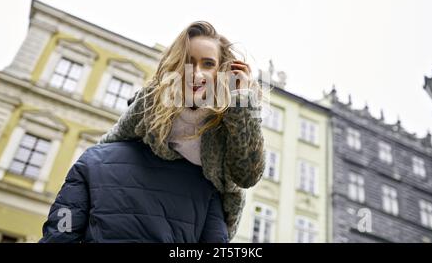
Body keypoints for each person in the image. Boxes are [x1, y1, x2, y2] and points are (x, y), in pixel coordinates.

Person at [39, 21, 265, 242]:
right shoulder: (208, 187)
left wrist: (243, 100)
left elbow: (61, 229)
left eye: (208, 64)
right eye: (188, 62)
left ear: (221, 72)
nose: (196, 74)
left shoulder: (93, 161)